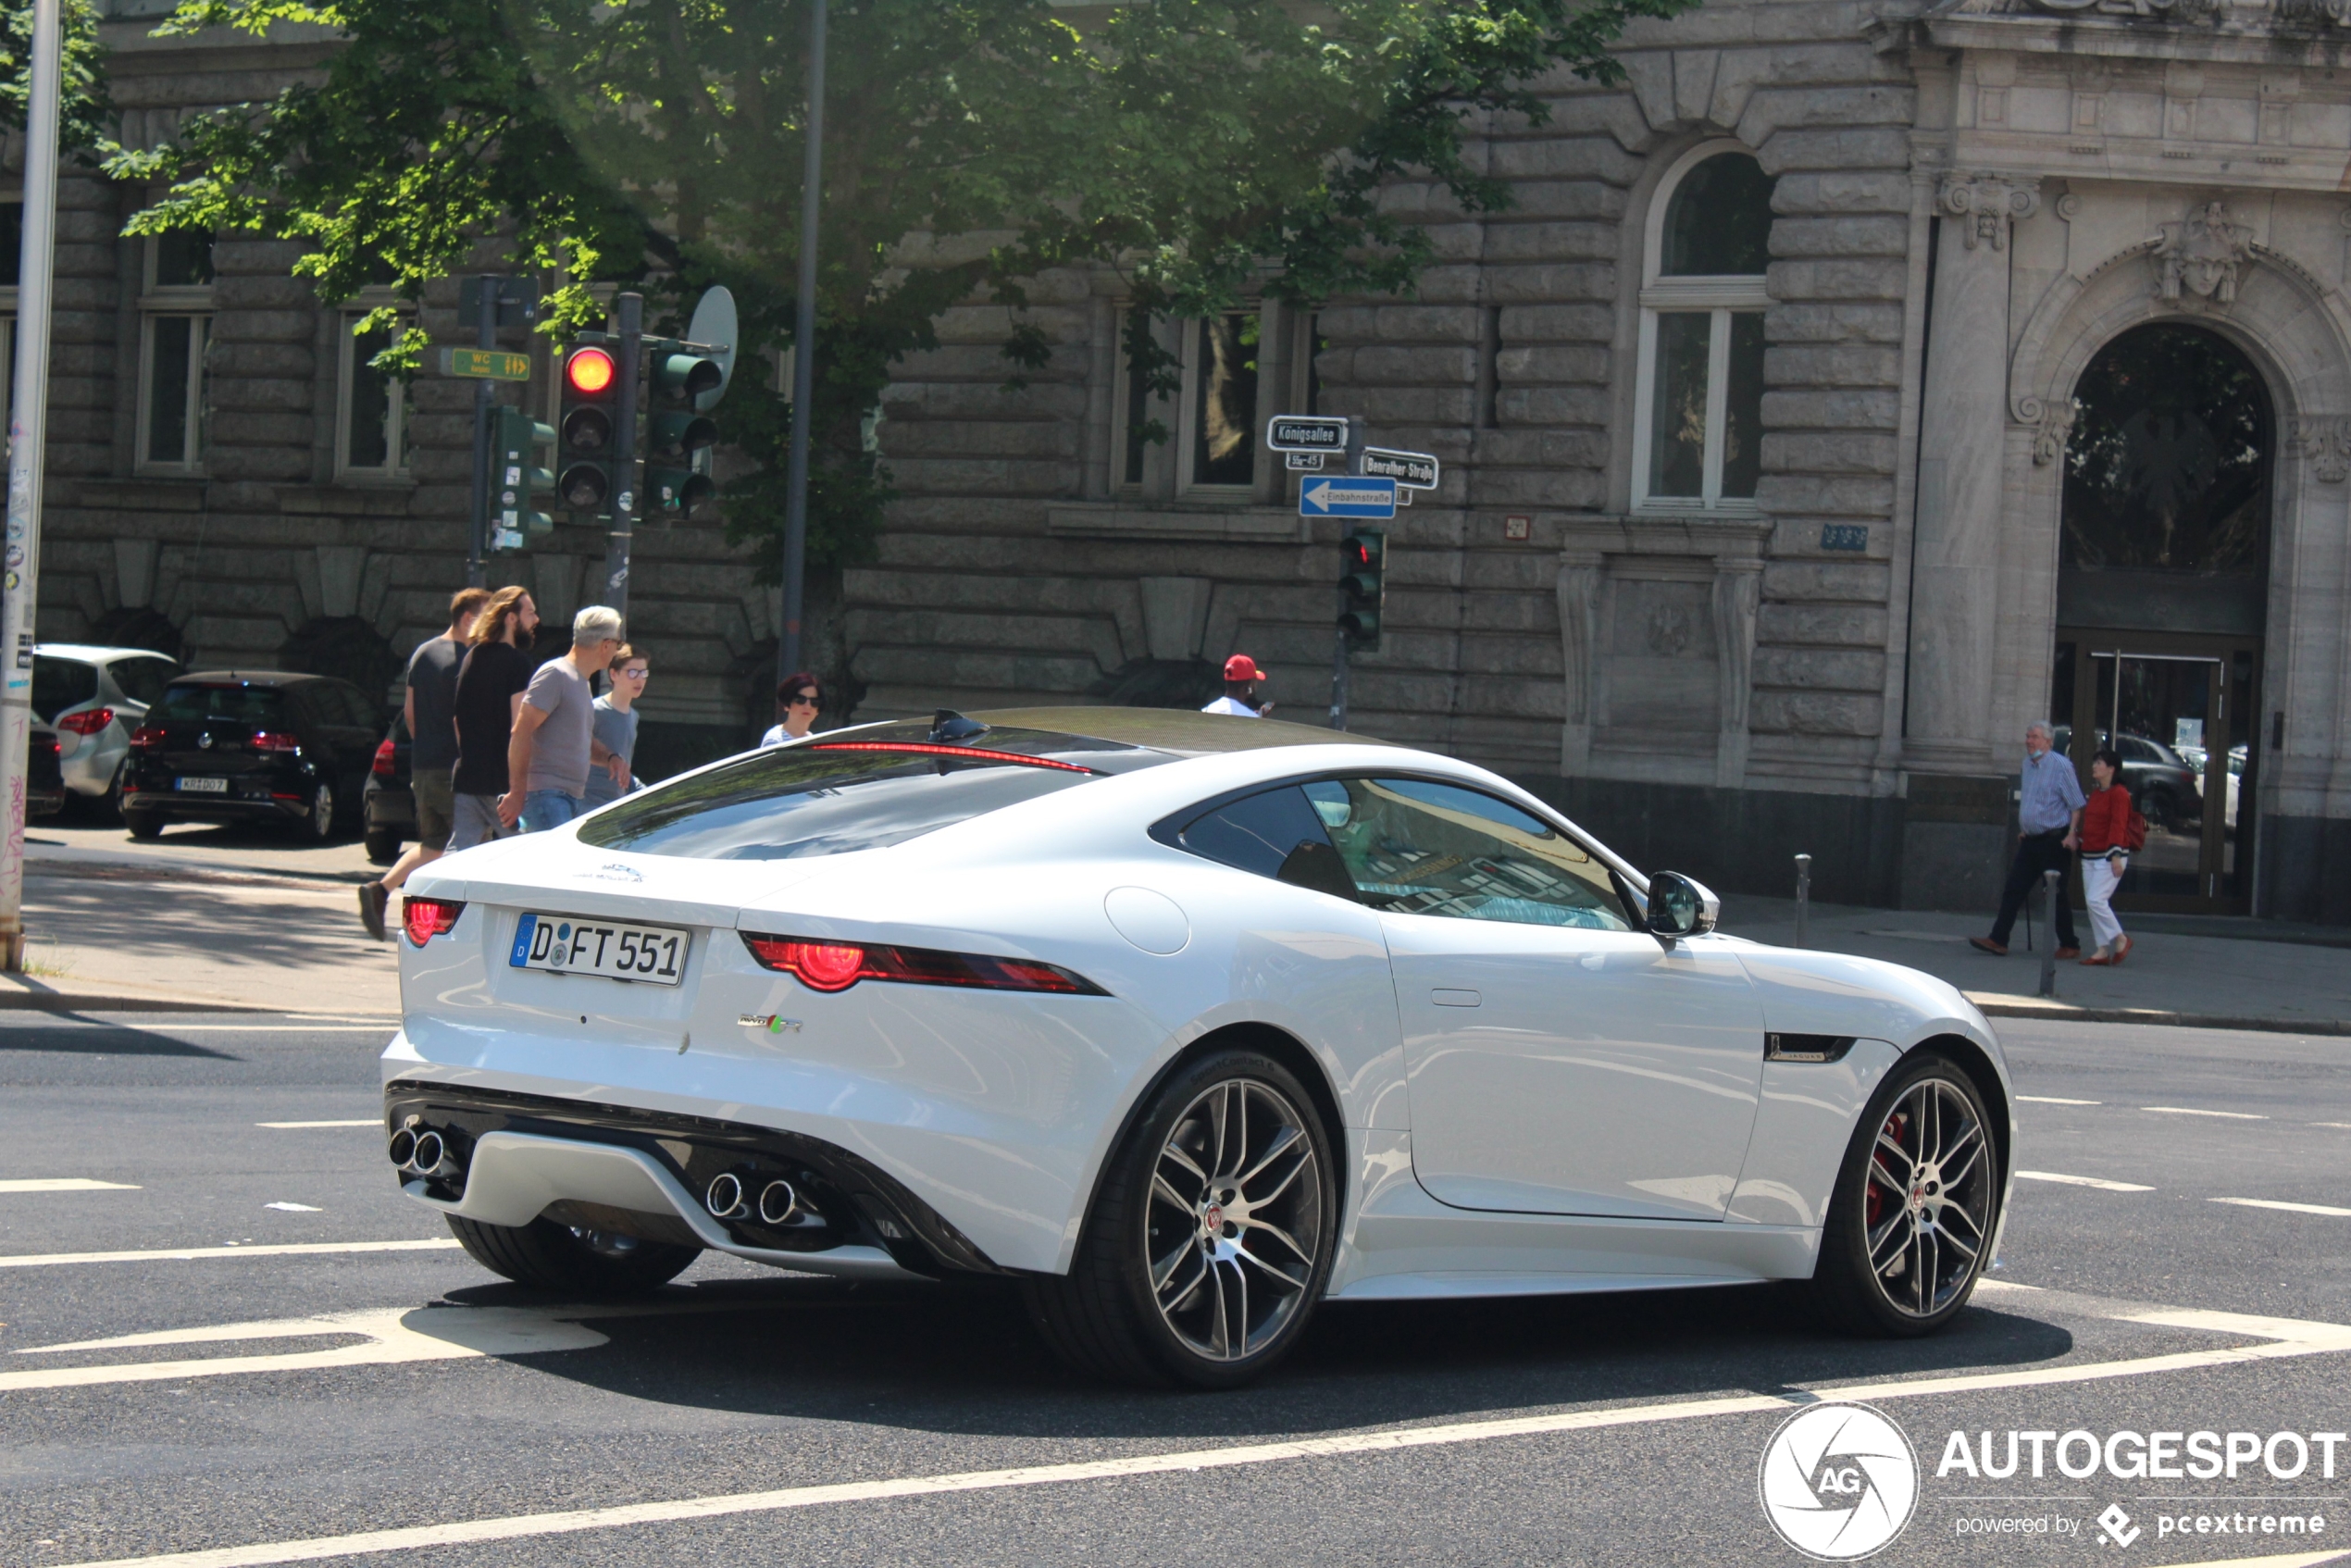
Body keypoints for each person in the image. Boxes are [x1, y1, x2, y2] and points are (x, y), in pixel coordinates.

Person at [357, 586, 488, 940]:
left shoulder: (423, 653)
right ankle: (442, 927)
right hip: (455, 767)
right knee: (475, 842)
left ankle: (380, 890)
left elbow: (411, 716)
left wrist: (426, 749)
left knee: (433, 844)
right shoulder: (469, 658)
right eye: (485, 616)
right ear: (467, 618)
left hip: (423, 765)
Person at [499, 605, 628, 834]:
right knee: (556, 868)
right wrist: (517, 793)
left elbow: (579, 740)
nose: (617, 651)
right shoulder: (556, 674)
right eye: (618, 644)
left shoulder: (581, 681)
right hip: (546, 795)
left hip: (567, 797)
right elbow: (521, 731)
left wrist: (610, 757)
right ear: (606, 645)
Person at [1970, 720, 2084, 960]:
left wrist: (2072, 833)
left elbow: (2076, 804)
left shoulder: (2062, 766)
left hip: (2054, 840)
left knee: (2055, 893)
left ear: (2048, 742)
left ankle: (2070, 943)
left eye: (2035, 737)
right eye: (2028, 736)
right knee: (2014, 889)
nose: (2029, 741)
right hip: (2031, 840)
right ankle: (1999, 939)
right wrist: (2026, 827)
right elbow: (2031, 799)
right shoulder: (2027, 765)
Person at [446, 586, 540, 853]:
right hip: (501, 785)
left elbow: (457, 721)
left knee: (460, 855)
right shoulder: (518, 663)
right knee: (523, 858)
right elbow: (519, 729)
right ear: (511, 618)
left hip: (468, 776)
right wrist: (517, 790)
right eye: (530, 613)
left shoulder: (471, 657)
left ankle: (435, 896)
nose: (536, 620)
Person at [2078, 746, 2135, 966]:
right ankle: (2102, 949)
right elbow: (2093, 823)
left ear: (2111, 769)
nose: (2094, 766)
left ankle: (2121, 939)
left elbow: (2118, 824)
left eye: (2099, 763)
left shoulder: (2119, 794)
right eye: (2094, 762)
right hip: (2090, 854)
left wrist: (2115, 855)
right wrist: (2079, 838)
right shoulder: (2096, 793)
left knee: (2096, 899)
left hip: (2108, 856)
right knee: (2093, 903)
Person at [581, 643, 648, 812]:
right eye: (632, 672)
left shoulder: (633, 716)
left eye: (644, 673)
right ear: (613, 674)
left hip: (615, 804)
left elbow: (624, 762)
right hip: (587, 803)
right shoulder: (595, 710)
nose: (639, 679)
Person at [760, 673, 822, 746]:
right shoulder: (774, 740)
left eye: (814, 702)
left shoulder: (813, 741)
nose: (808, 706)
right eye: (800, 700)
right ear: (787, 705)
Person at [1201, 653, 1274, 717]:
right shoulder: (1251, 718)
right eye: (1253, 682)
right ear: (1246, 687)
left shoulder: (1206, 711)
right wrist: (1259, 723)